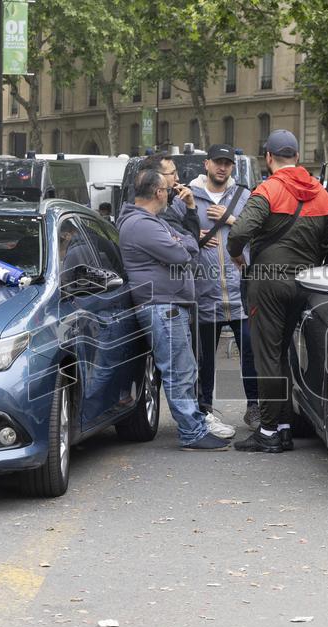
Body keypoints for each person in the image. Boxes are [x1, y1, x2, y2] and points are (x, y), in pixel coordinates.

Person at [226, 129, 328, 454]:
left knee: (267, 356)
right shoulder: (321, 194)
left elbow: (240, 232)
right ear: (297, 157)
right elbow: (327, 242)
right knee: (283, 353)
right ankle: (284, 427)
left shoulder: (268, 189)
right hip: (306, 284)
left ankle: (269, 431)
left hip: (268, 283)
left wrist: (236, 254)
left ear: (268, 157)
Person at [116, 168, 230, 451]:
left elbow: (186, 243)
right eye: (167, 190)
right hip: (161, 306)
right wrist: (184, 242)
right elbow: (182, 253)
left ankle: (195, 426)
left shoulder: (151, 221)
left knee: (184, 368)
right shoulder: (142, 224)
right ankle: (191, 432)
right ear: (158, 192)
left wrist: (183, 241)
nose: (170, 194)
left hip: (169, 305)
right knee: (178, 372)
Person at [189, 144, 259, 432]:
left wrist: (231, 220)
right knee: (205, 359)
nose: (222, 167)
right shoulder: (189, 196)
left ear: (232, 167)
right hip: (205, 292)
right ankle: (204, 409)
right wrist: (195, 235)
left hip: (241, 292)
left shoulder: (245, 196)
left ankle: (254, 407)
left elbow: (260, 232)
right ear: (206, 164)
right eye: (218, 162)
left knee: (251, 353)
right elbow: (172, 233)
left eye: (227, 163)